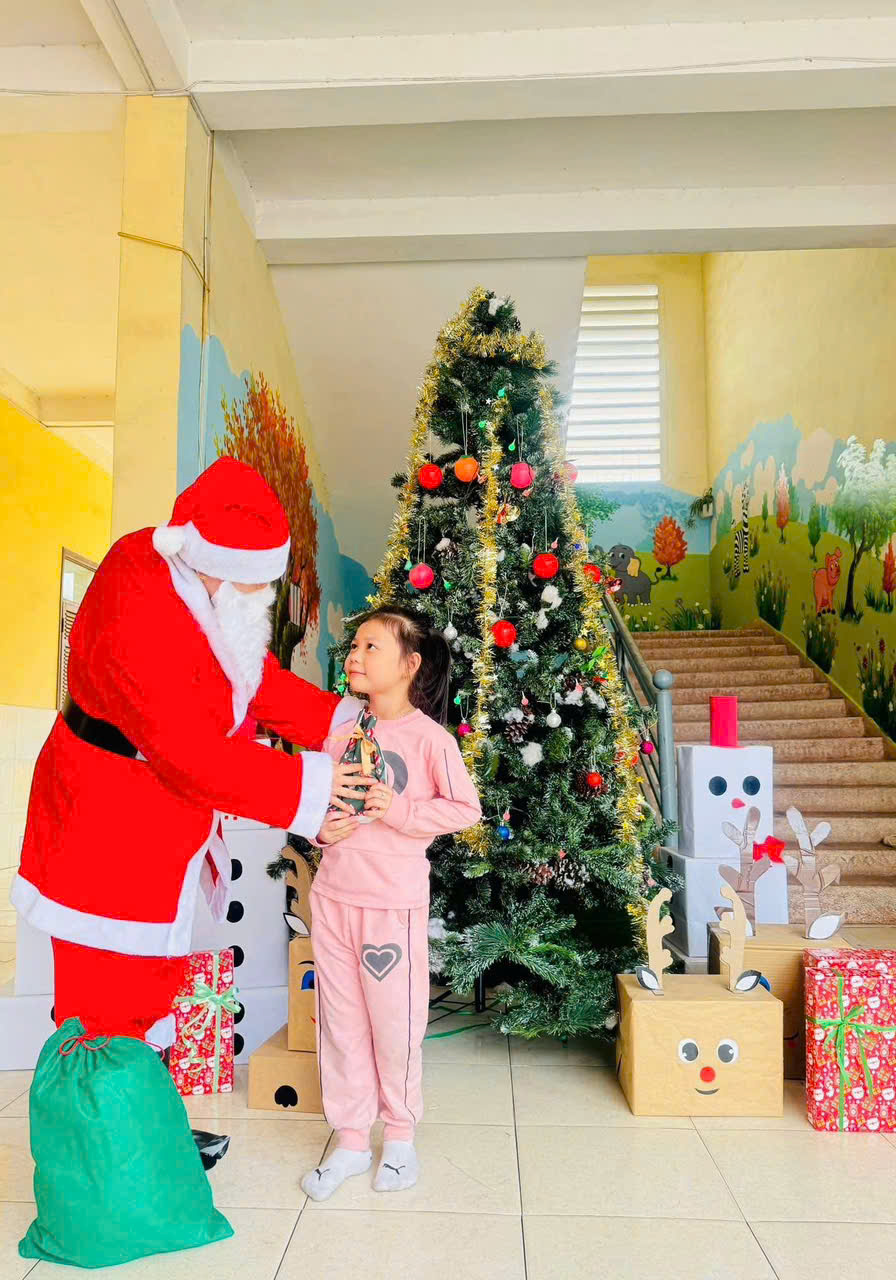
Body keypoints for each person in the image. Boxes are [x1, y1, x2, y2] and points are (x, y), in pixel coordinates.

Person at [12, 457, 368, 1153]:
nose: (263, 595)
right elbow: (190, 755)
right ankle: (101, 1158)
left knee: (153, 980)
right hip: (102, 820)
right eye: (253, 580)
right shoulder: (137, 599)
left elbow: (254, 678)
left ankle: (143, 1135)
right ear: (212, 564)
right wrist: (316, 787)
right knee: (102, 996)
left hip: (154, 820)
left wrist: (344, 724)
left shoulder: (211, 589)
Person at [300, 606, 482, 1202]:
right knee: (341, 1023)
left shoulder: (431, 740)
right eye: (354, 645)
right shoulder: (340, 733)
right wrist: (322, 831)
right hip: (333, 897)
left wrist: (398, 810)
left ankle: (399, 1139)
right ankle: (352, 1140)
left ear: (410, 664)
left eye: (371, 646)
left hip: (391, 904)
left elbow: (466, 809)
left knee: (395, 1025)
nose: (354, 655)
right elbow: (317, 808)